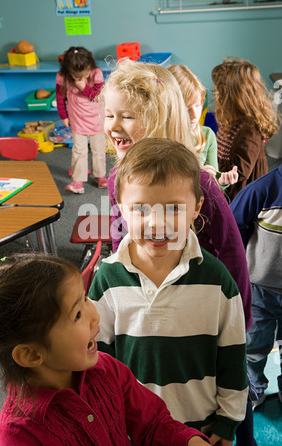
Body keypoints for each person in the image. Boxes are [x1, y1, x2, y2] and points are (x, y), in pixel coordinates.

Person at [89, 138, 248, 446]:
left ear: (196, 207)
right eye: (141, 209)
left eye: (174, 208)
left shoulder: (217, 280)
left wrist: (229, 421)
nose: (157, 223)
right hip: (133, 429)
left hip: (201, 428)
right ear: (121, 208)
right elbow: (98, 362)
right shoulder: (108, 278)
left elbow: (232, 356)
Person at [0, 252, 214, 446]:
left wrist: (189, 441)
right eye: (77, 315)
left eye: (85, 299)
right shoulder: (18, 437)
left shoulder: (106, 368)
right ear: (31, 355)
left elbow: (152, 423)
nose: (95, 316)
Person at [102, 59, 252, 330]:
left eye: (127, 116)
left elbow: (232, 252)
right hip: (147, 306)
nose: (113, 126)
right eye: (109, 115)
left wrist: (238, 317)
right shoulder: (116, 180)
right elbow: (119, 240)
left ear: (159, 118)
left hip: (199, 305)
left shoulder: (200, 182)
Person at [231, 164, 282, 409]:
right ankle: (255, 391)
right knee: (254, 345)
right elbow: (234, 226)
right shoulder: (265, 189)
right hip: (260, 288)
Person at [212, 57, 279, 202]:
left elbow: (241, 172)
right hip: (226, 186)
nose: (215, 93)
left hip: (242, 195)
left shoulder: (250, 130)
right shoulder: (231, 120)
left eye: (220, 90)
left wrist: (213, 169)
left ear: (233, 97)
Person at [167, 64, 238, 188]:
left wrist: (222, 180)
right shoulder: (158, 137)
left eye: (198, 105)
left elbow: (215, 184)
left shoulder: (207, 135)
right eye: (186, 108)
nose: (195, 115)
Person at [56, 46, 107, 194]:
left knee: (98, 149)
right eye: (76, 77)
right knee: (79, 150)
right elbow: (60, 97)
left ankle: (100, 176)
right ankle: (78, 181)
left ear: (90, 67)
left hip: (96, 118)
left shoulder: (96, 73)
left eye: (83, 76)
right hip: (77, 119)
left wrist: (83, 87)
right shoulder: (62, 76)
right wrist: (63, 116)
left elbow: (98, 96)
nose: (79, 79)